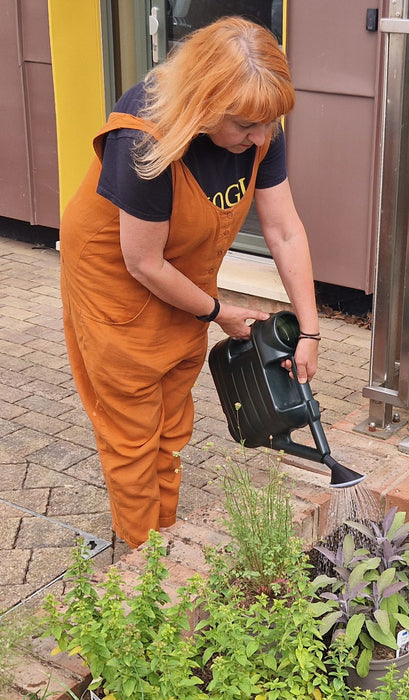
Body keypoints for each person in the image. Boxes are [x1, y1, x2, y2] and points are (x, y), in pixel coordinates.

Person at [59, 17, 321, 549]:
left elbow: (284, 229)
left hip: (183, 277)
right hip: (118, 279)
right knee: (132, 436)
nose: (260, 139)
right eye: (247, 127)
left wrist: (311, 331)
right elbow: (144, 264)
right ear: (204, 105)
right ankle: (142, 574)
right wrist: (218, 310)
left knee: (173, 423)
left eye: (269, 124)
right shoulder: (144, 138)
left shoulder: (258, 119)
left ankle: (165, 540)